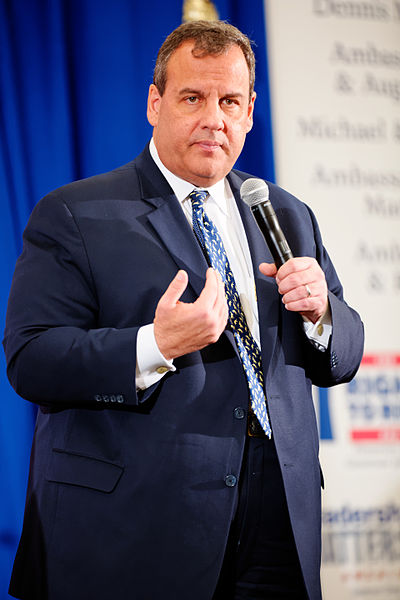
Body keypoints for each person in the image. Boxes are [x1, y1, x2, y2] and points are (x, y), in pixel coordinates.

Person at [3, 20, 363, 600]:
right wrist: (156, 344)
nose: (212, 119)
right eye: (192, 98)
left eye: (229, 101)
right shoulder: (76, 213)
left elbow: (342, 356)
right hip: (137, 525)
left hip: (279, 518)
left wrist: (321, 313)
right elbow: (31, 358)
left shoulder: (287, 214)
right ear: (155, 102)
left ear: (249, 111)